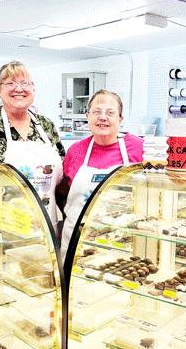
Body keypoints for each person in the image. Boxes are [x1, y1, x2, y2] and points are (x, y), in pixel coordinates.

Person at [0, 61, 65, 231]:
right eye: (11, 83)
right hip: (2, 225)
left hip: (45, 225)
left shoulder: (46, 125)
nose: (19, 89)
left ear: (33, 89)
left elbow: (61, 180)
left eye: (25, 83)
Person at [59, 90, 144, 260]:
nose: (103, 117)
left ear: (120, 119)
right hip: (76, 240)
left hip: (120, 241)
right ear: (88, 116)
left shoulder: (139, 148)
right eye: (96, 111)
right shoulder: (75, 151)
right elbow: (63, 191)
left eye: (110, 112)